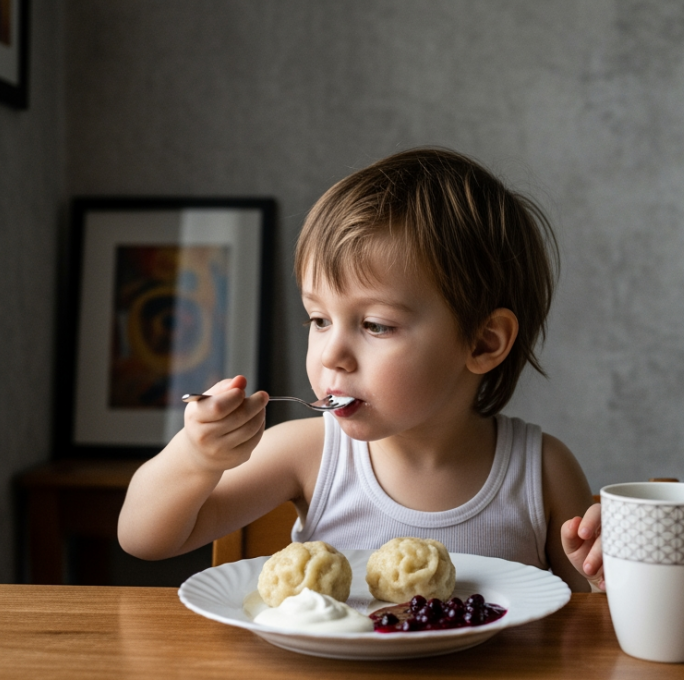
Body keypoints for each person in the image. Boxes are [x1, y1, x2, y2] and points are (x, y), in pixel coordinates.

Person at [117, 147, 605, 592]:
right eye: (319, 319)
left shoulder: (540, 471)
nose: (332, 354)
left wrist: (612, 575)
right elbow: (145, 540)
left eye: (374, 325)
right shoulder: (307, 453)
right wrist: (195, 460)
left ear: (483, 342)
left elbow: (592, 621)